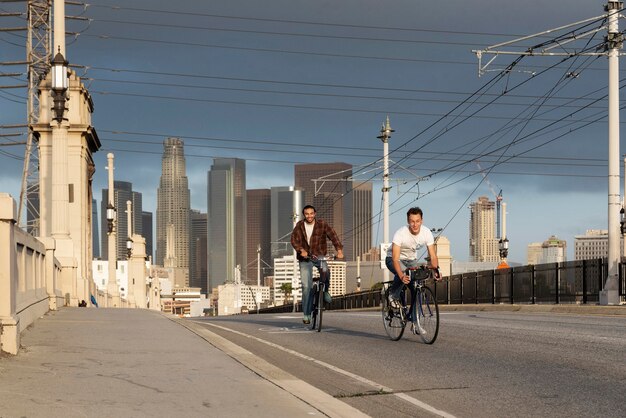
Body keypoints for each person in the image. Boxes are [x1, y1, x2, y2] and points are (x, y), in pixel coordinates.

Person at [291, 204, 344, 324]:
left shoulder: (322, 224)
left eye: (311, 213)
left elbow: (333, 236)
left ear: (314, 214)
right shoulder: (299, 225)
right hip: (305, 259)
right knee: (306, 287)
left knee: (325, 270)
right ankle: (306, 314)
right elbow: (293, 240)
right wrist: (301, 250)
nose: (309, 216)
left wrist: (339, 250)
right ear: (304, 215)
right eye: (306, 214)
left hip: (319, 256)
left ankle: (325, 291)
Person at [386, 207, 440, 307]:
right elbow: (395, 259)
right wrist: (402, 276)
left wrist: (436, 270)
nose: (415, 225)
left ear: (421, 221)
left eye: (417, 221)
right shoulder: (400, 233)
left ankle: (415, 321)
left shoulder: (426, 233)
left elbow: (433, 256)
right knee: (403, 273)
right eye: (412, 221)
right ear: (408, 221)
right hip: (392, 259)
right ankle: (393, 295)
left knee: (415, 287)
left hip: (411, 260)